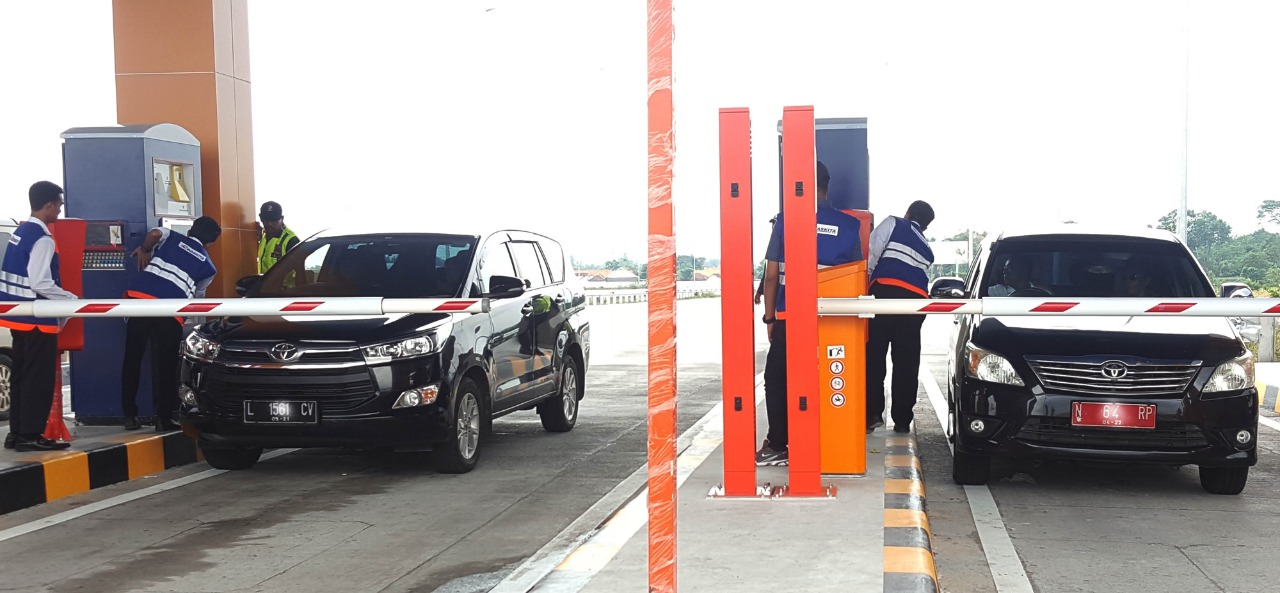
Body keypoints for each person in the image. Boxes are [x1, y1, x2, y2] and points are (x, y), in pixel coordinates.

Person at [756, 161, 863, 466]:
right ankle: (828, 440)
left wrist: (770, 318)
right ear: (827, 187)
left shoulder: (786, 221)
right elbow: (857, 273)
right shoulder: (850, 226)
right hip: (835, 317)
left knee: (778, 379)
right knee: (828, 377)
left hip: (792, 316)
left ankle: (778, 445)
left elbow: (773, 275)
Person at [120, 216, 221, 432]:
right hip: (170, 312)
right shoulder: (209, 268)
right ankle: (163, 418)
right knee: (166, 366)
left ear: (191, 230)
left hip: (141, 301)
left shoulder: (171, 237)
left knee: (132, 358)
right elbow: (197, 299)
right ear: (210, 243)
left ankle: (129, 415)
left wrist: (144, 249)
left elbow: (154, 234)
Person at [0, 182, 77, 452]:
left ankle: (17, 432)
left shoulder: (21, 232)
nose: (60, 209)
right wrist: (69, 300)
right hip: (37, 318)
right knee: (37, 378)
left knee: (21, 376)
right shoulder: (43, 239)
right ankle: (30, 435)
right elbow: (40, 282)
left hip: (17, 317)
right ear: (47, 205)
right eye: (58, 204)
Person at [865, 200, 936, 434]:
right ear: (926, 226)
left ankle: (873, 412)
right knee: (907, 361)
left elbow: (871, 254)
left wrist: (866, 287)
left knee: (874, 354)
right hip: (915, 304)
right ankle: (903, 419)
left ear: (908, 213)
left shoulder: (894, 223)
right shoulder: (927, 247)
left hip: (885, 294)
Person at [257, 201, 299, 274]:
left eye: (274, 221)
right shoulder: (263, 235)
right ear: (261, 219)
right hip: (265, 284)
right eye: (266, 220)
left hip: (285, 285)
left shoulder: (291, 240)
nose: (269, 224)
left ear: (282, 219)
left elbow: (299, 270)